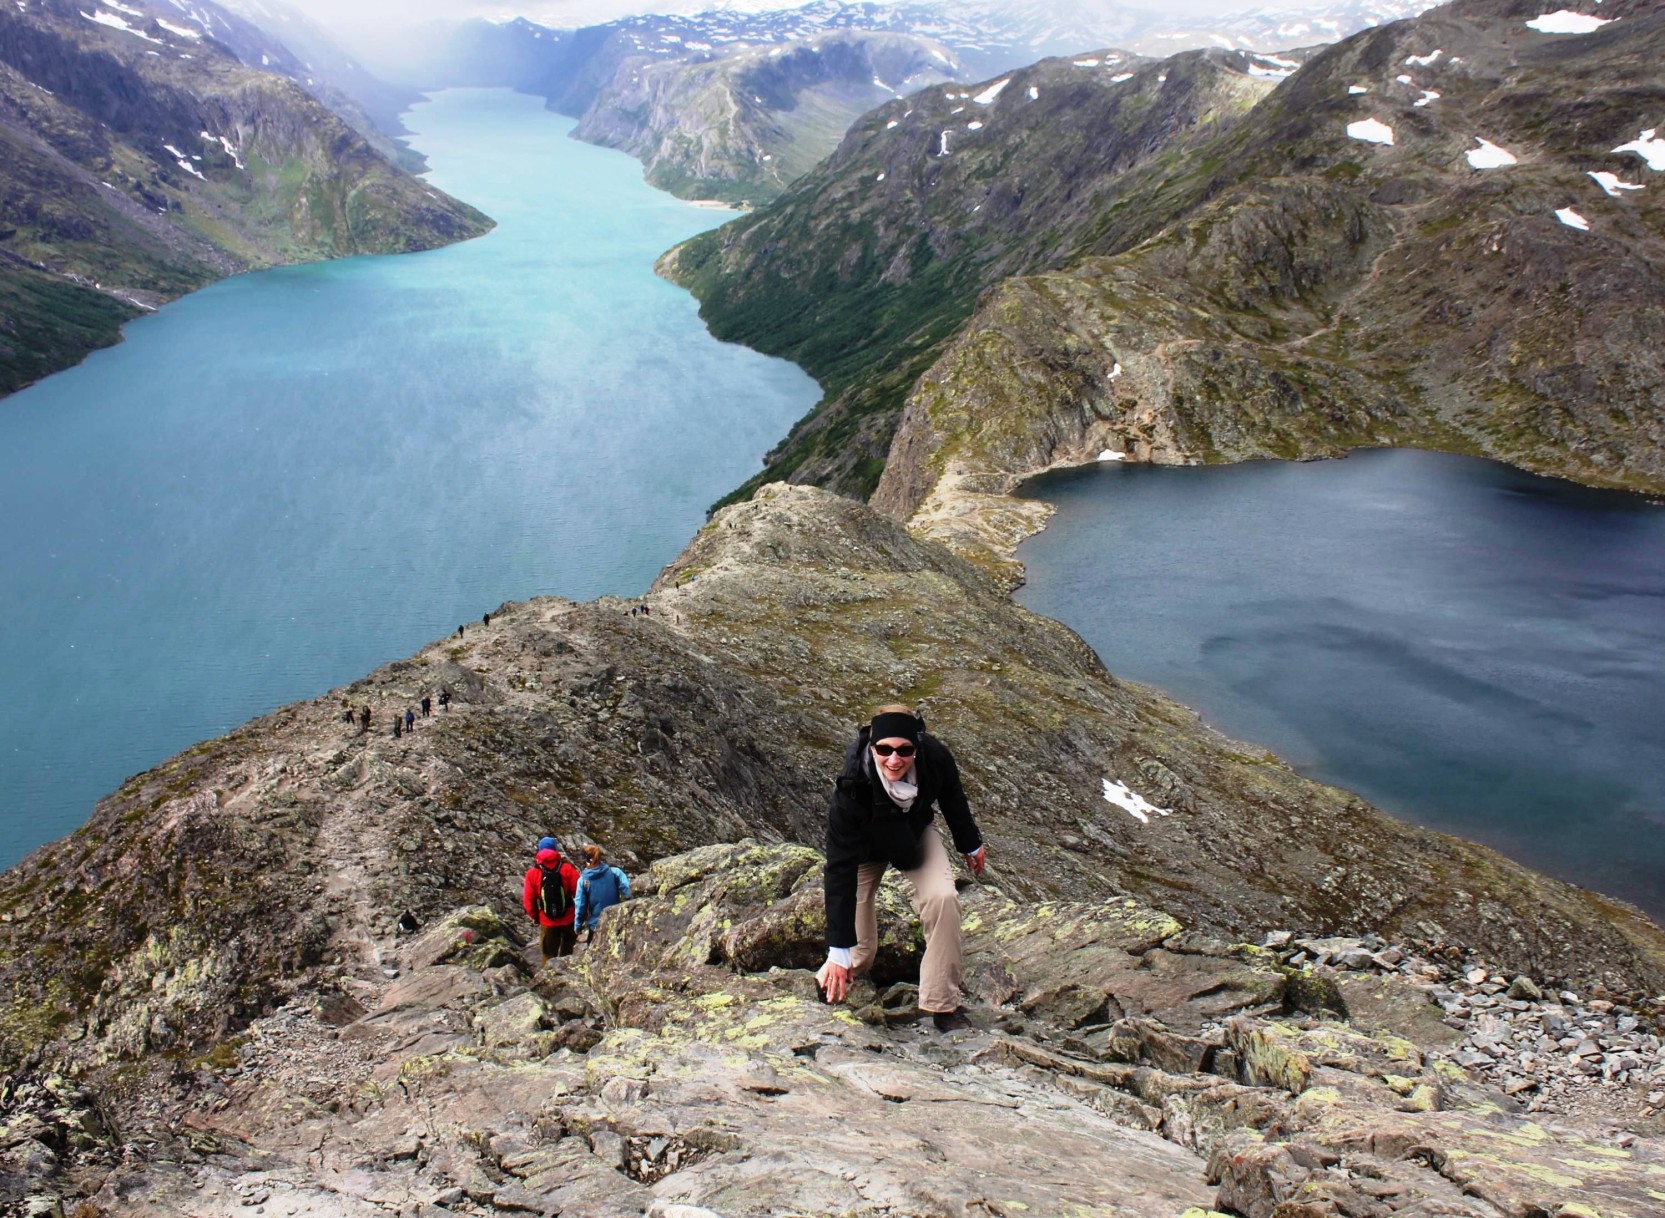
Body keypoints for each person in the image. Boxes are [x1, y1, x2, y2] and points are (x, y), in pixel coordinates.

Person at [817, 705, 987, 1031]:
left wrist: (970, 843)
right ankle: (828, 983)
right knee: (860, 952)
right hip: (865, 850)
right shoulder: (852, 787)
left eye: (904, 750)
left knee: (943, 899)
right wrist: (838, 946)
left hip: (914, 834)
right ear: (872, 747)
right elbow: (839, 869)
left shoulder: (934, 758)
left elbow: (953, 797)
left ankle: (943, 1007)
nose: (894, 760)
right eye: (884, 750)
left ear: (916, 747)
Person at [523, 838, 579, 963]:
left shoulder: (533, 873)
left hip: (547, 921)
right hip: (569, 919)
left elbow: (528, 901)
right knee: (568, 954)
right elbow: (579, 893)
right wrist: (580, 914)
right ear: (555, 850)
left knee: (548, 955)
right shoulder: (567, 869)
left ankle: (549, 979)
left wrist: (536, 917)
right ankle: (569, 977)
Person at [574, 844, 631, 940]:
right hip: (616, 920)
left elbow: (581, 906)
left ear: (586, 860)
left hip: (596, 925)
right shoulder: (615, 872)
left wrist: (578, 925)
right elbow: (628, 892)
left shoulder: (582, 881)